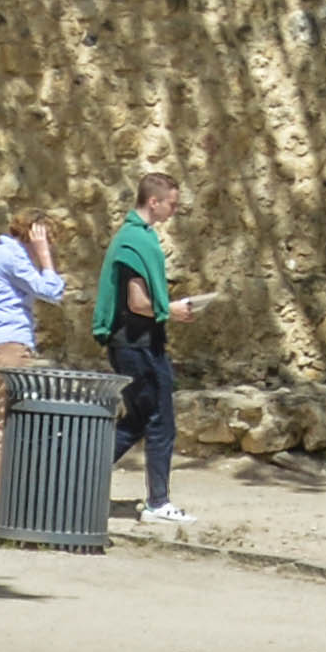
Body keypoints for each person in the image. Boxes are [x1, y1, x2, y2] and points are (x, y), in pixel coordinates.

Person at [100, 173, 187, 529]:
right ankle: (158, 502)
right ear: (154, 202)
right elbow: (138, 303)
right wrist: (171, 311)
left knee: (136, 420)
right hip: (136, 345)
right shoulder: (135, 241)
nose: (175, 209)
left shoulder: (138, 236)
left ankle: (79, 474)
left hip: (138, 344)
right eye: (172, 203)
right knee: (160, 421)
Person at [0, 207, 69, 406]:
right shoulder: (13, 258)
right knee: (17, 420)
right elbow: (51, 292)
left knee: (12, 418)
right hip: (7, 346)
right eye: (48, 242)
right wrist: (45, 257)